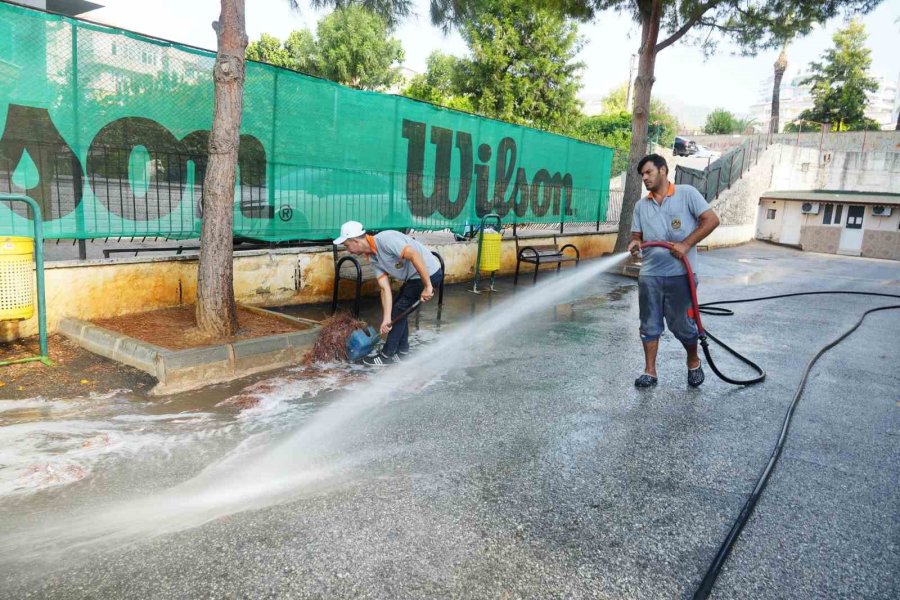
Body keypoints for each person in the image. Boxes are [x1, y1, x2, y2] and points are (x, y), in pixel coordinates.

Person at [626, 154, 720, 388]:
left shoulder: (687, 194)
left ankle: (693, 360)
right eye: (642, 175)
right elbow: (637, 234)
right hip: (650, 276)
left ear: (663, 170)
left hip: (681, 275)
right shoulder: (641, 205)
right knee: (649, 325)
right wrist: (635, 242)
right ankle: (650, 371)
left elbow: (711, 220)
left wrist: (686, 244)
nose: (645, 178)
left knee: (682, 325)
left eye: (648, 172)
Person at [333, 221, 443, 365]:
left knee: (398, 310)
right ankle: (402, 351)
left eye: (347, 245)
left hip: (428, 273)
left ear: (355, 240)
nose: (348, 250)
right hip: (414, 278)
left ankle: (386, 355)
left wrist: (428, 286)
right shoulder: (373, 257)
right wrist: (386, 319)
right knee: (397, 309)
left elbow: (414, 256)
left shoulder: (386, 240)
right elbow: (385, 288)